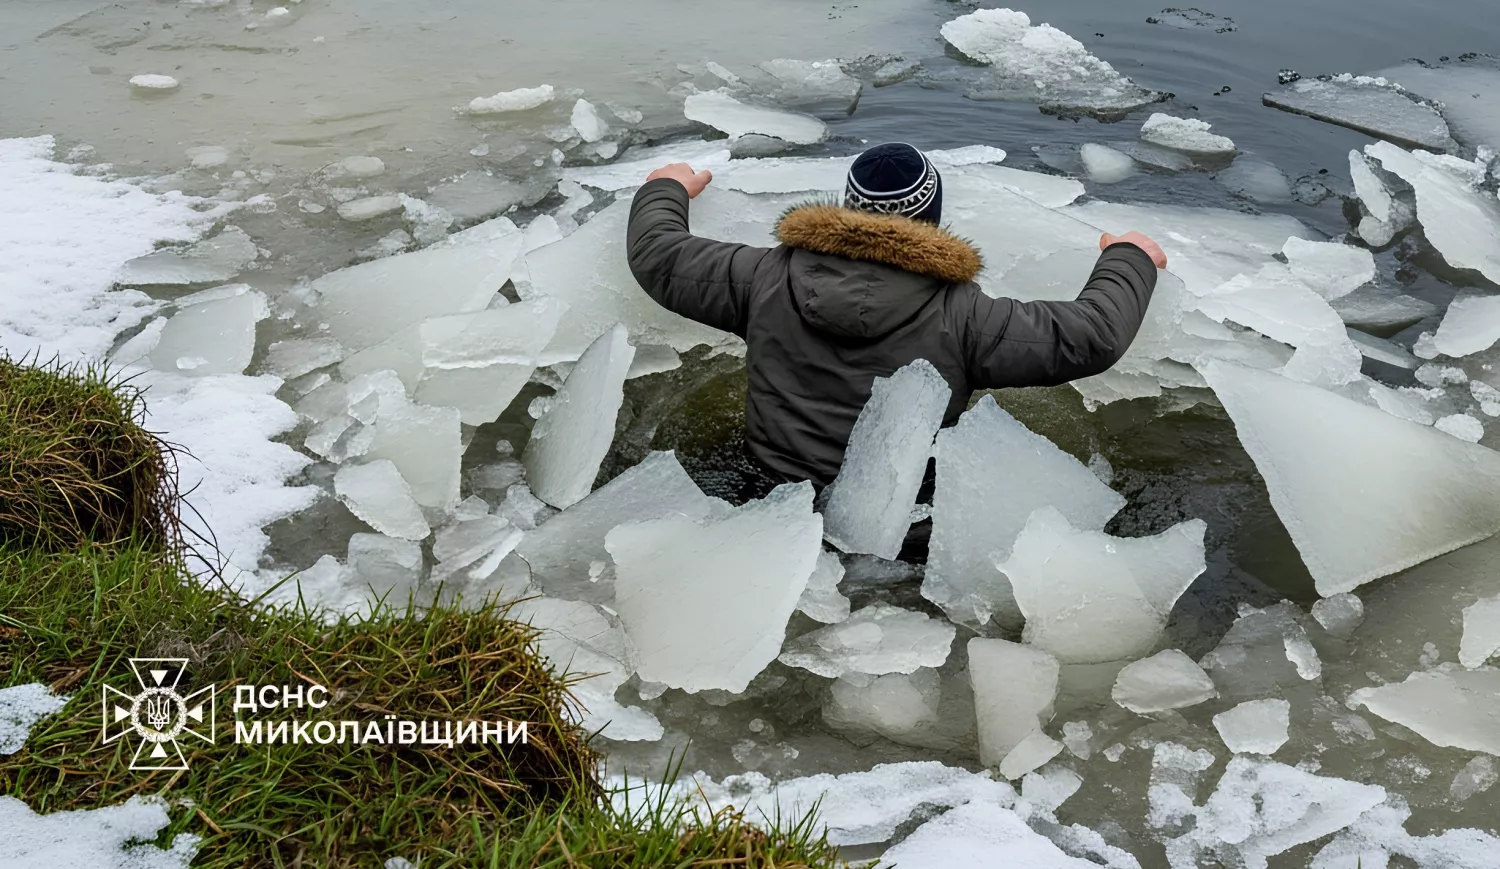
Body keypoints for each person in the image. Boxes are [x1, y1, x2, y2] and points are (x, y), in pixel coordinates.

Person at [626, 142, 1166, 558]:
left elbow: (660, 254)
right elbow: (1091, 335)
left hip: (768, 503)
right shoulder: (967, 317)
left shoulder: (761, 278)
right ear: (930, 217)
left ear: (847, 208)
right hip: (901, 531)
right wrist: (1130, 259)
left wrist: (665, 187)